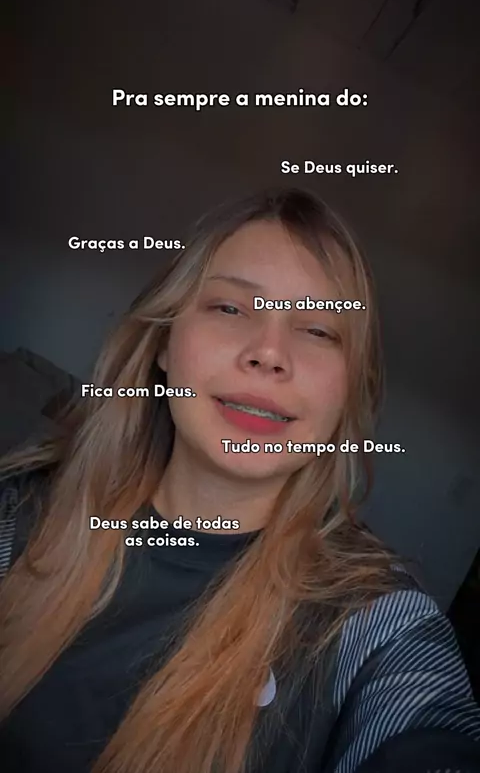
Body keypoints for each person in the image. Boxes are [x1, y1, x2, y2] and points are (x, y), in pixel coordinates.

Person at [0, 188, 479, 773]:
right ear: (164, 346)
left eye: (318, 330)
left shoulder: (377, 627)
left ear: (349, 391)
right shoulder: (19, 513)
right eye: (230, 309)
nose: (269, 353)